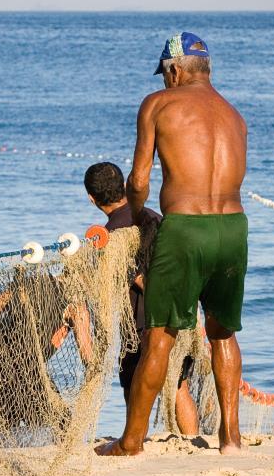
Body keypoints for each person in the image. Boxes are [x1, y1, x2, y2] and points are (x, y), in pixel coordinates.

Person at [95, 32, 248, 456]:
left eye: (166, 74)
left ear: (175, 70)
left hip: (185, 229)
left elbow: (139, 180)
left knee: (158, 335)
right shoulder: (235, 116)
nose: (165, 81)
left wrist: (141, 215)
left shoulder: (158, 104)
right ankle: (231, 439)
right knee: (222, 332)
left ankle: (130, 442)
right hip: (234, 228)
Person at [84, 162, 199, 436]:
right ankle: (193, 441)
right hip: (179, 313)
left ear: (92, 198)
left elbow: (133, 281)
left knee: (135, 386)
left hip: (141, 323)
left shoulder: (111, 237)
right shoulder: (155, 217)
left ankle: (134, 441)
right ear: (124, 187)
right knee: (178, 383)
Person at [0, 267, 92, 442]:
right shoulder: (77, 307)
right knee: (61, 426)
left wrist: (5, 338)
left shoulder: (30, 283)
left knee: (4, 430)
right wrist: (96, 369)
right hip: (28, 365)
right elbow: (86, 353)